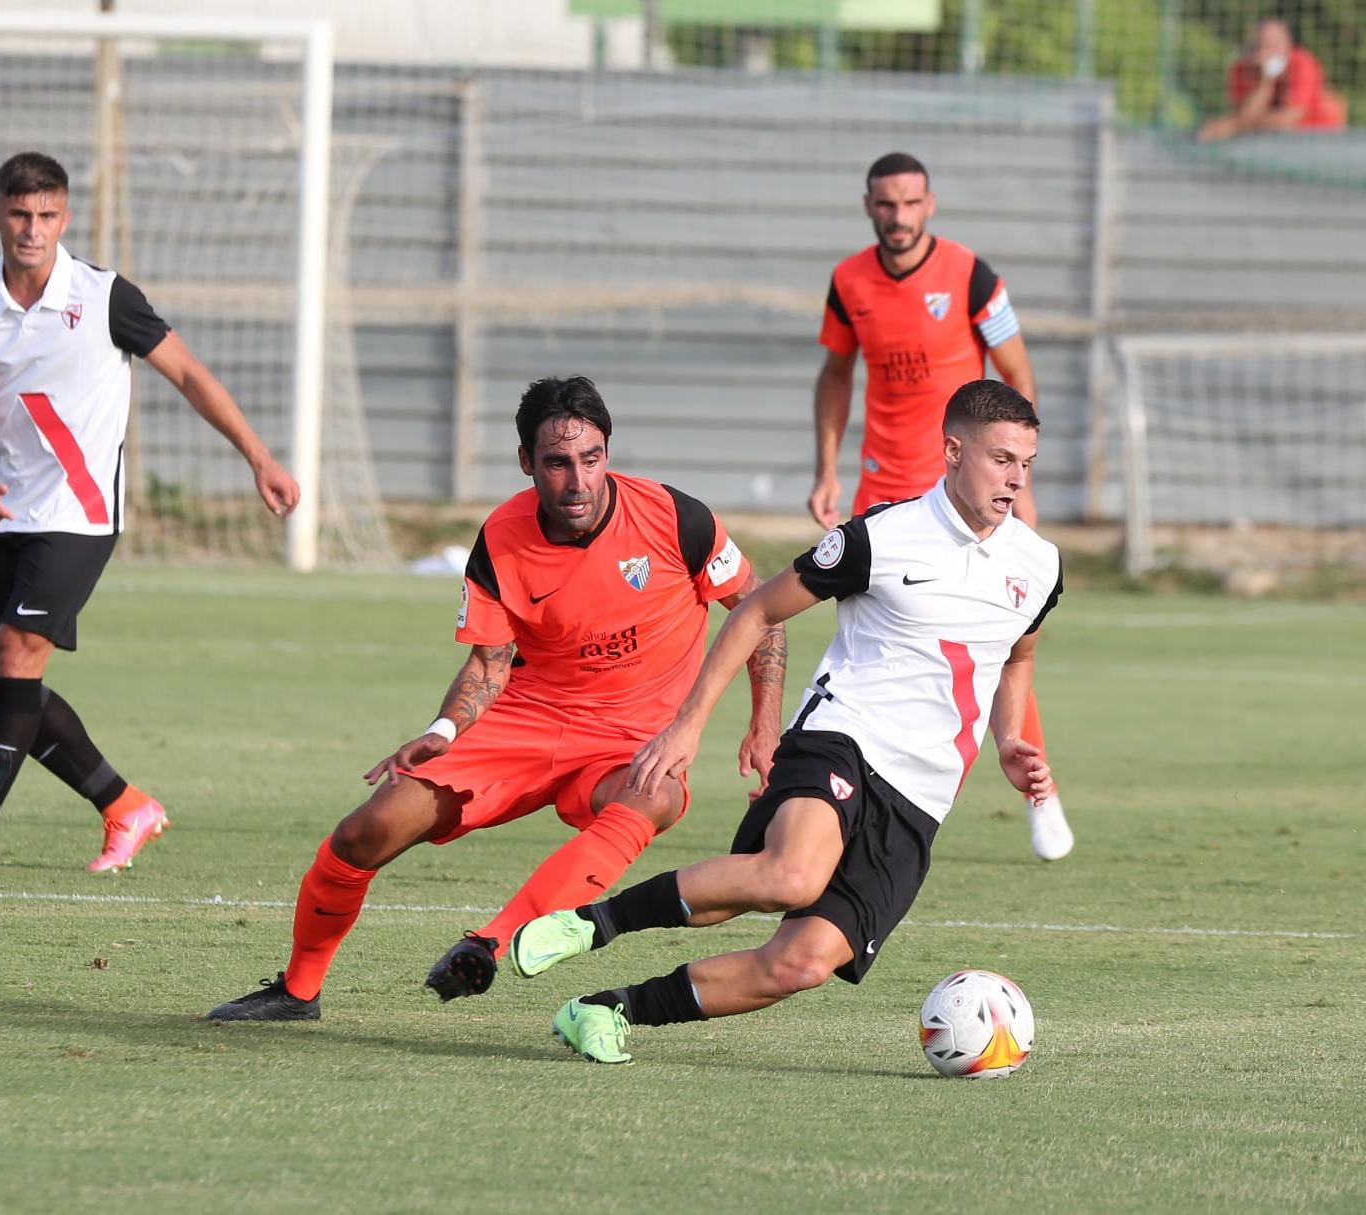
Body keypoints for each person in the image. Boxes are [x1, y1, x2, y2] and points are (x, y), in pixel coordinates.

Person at [511, 380, 1062, 1064]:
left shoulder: (1039, 564)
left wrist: (1009, 738)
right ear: (953, 451)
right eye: (1001, 458)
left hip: (922, 797)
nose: (1016, 478)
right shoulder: (880, 539)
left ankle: (605, 1009)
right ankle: (590, 923)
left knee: (799, 964)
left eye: (1027, 464)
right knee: (790, 876)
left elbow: (1017, 655)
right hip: (844, 738)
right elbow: (755, 610)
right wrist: (689, 726)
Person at [206, 375, 786, 1022]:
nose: (578, 481)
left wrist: (764, 726)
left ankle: (493, 939)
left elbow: (763, 614)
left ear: (608, 455)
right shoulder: (502, 537)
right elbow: (488, 664)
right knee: (367, 829)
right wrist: (445, 729)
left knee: (655, 795)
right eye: (558, 463)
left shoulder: (677, 519)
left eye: (591, 459)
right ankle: (298, 990)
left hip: (634, 739)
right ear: (526, 463)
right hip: (527, 723)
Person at [0, 151, 300, 876]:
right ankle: (125, 805)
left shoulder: (103, 296)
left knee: (15, 659)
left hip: (80, 514)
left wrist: (258, 456)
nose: (32, 230)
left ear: (65, 218)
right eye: (18, 214)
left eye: (46, 216)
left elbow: (190, 373)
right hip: (3, 512)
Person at [806, 150, 1072, 861]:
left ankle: (1037, 788)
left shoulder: (972, 275)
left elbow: (1016, 373)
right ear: (869, 206)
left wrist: (1022, 479)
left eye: (911, 203)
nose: (898, 216)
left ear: (930, 205)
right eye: (885, 204)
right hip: (882, 494)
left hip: (967, 489)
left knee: (1000, 636)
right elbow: (835, 375)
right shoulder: (848, 281)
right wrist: (827, 467)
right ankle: (833, 782)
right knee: (874, 648)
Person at [1198, 19, 1348, 142]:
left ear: (1287, 46)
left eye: (1272, 46)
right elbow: (1243, 114)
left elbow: (1288, 120)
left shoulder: (1302, 63)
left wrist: (1233, 126)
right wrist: (1265, 81)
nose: (1264, 53)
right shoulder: (1241, 68)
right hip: (1267, 143)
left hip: (1316, 140)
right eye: (1258, 46)